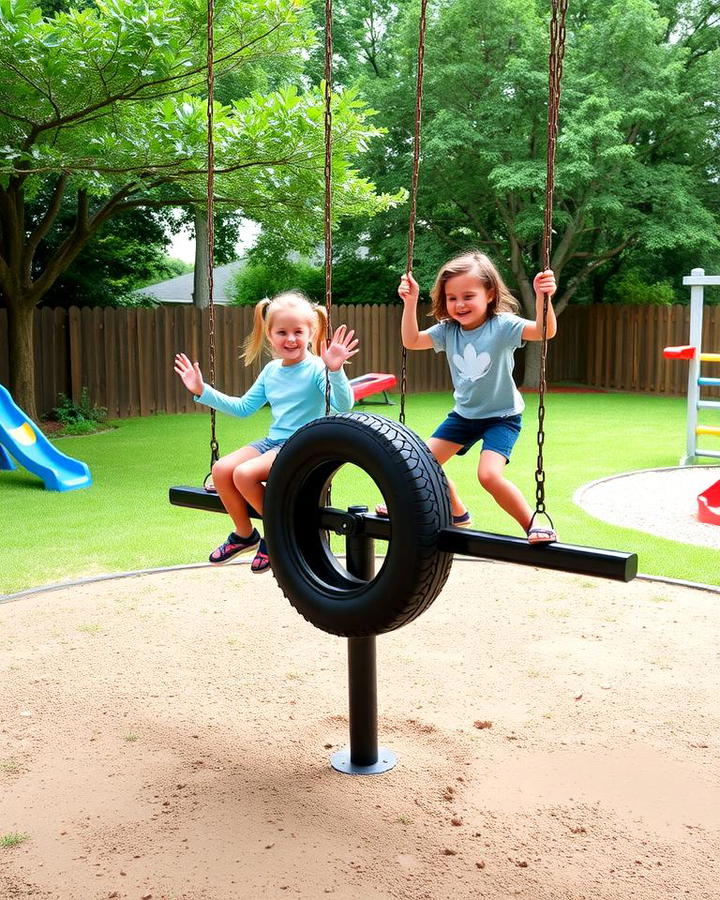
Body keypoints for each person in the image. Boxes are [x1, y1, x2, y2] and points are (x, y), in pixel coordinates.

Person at [378, 251, 558, 544]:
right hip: (464, 417)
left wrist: (542, 297)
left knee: (488, 476)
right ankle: (458, 512)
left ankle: (534, 525)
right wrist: (410, 303)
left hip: (501, 418)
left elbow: (544, 331)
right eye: (452, 298)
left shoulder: (503, 325)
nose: (459, 304)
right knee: (420, 463)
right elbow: (411, 341)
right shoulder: (449, 331)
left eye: (468, 296)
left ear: (489, 294)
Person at [174, 291, 358, 573]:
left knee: (244, 474)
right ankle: (244, 534)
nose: (291, 339)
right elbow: (243, 407)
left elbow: (343, 406)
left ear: (312, 332)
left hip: (303, 445)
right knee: (222, 470)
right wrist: (202, 391)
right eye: (282, 332)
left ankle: (278, 533)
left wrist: (335, 370)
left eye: (298, 331)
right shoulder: (272, 371)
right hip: (274, 441)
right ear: (269, 335)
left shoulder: (316, 369)